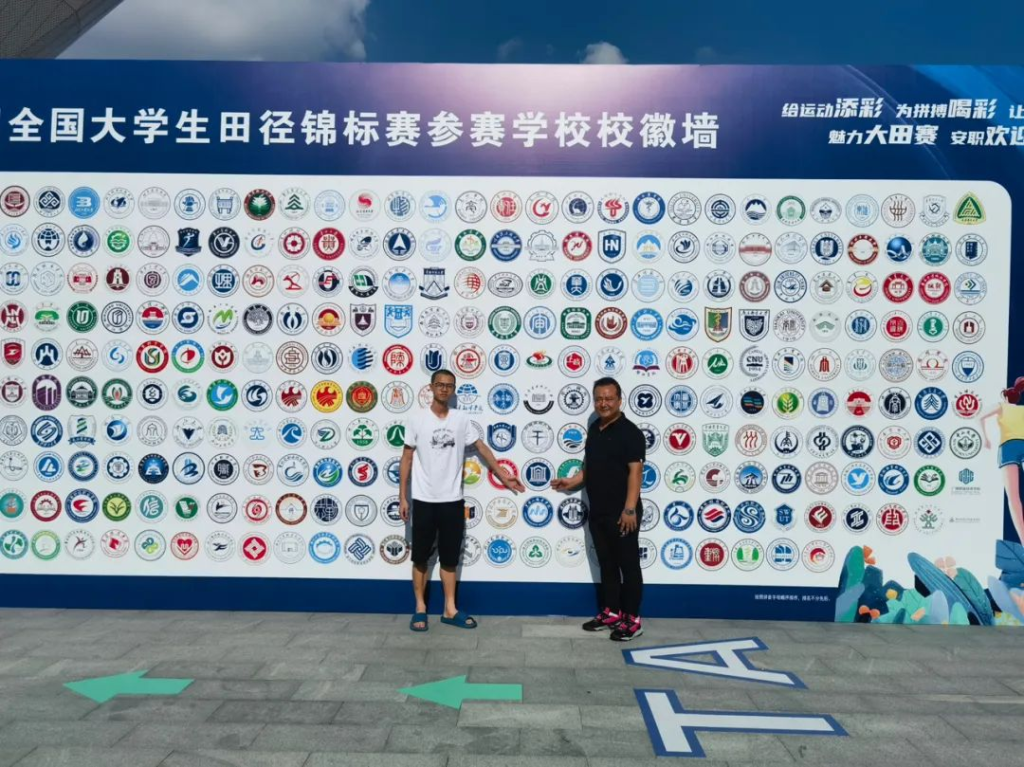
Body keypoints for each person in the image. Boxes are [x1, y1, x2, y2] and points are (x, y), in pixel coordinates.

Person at [400, 369, 525, 632]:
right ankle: (420, 608)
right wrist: (402, 496)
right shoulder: (416, 419)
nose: (444, 389)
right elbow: (407, 457)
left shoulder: (461, 419)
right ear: (431, 387)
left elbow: (481, 448)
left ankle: (450, 609)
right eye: (440, 384)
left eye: (449, 385)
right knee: (420, 558)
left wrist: (503, 475)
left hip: (452, 500)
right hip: (423, 499)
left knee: (449, 559)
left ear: (454, 390)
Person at [551, 376, 645, 641]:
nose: (604, 403)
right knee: (607, 564)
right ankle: (612, 612)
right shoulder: (595, 429)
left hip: (623, 514)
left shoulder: (630, 433)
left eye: (609, 398)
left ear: (619, 400)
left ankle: (633, 620)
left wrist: (629, 509)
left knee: (629, 566)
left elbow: (636, 472)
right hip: (599, 511)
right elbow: (590, 467)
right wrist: (571, 482)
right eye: (599, 399)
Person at [979, 376, 1024, 542]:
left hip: (1008, 448)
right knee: (1013, 499)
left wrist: (985, 438)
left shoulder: (1002, 406)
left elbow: (979, 416)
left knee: (1013, 499)